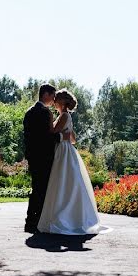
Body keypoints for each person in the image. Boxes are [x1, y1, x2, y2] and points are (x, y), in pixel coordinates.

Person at [36, 88, 107, 235]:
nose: (54, 101)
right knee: (68, 182)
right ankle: (72, 216)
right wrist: (66, 134)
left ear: (61, 102)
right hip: (67, 149)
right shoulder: (66, 116)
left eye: (56, 99)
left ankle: (65, 218)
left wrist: (51, 124)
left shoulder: (63, 116)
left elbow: (53, 132)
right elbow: (73, 139)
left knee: (62, 182)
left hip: (63, 151)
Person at [23, 84, 62, 233]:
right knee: (42, 189)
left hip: (33, 156)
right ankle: (35, 222)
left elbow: (28, 137)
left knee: (37, 188)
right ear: (45, 94)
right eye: (52, 96)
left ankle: (31, 221)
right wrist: (61, 137)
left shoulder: (29, 112)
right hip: (44, 157)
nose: (53, 99)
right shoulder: (44, 113)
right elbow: (45, 136)